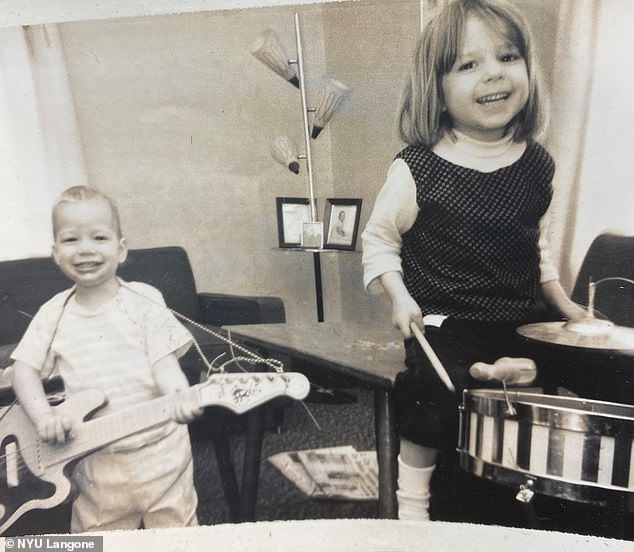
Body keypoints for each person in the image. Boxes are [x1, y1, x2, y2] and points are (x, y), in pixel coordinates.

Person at [361, 0, 587, 521]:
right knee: (435, 388)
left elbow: (537, 245)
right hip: (447, 317)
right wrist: (400, 298)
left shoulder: (536, 163)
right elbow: (378, 242)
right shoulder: (417, 167)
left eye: (507, 57)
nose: (494, 73)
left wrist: (565, 306)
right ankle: (413, 509)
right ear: (435, 88)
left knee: (570, 369)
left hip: (522, 314)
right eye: (468, 65)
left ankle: (529, 492)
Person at [11, 185, 202, 532]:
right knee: (98, 537)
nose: (85, 249)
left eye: (99, 237)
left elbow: (164, 363)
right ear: (56, 253)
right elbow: (23, 369)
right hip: (96, 463)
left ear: (121, 248)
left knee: (177, 535)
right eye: (71, 240)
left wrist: (178, 394)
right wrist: (43, 417)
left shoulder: (145, 300)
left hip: (161, 455)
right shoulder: (53, 314)